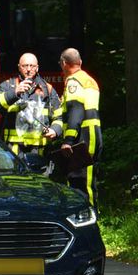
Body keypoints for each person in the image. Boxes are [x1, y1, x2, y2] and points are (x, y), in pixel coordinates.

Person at [45, 48, 101, 206]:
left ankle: (84, 218)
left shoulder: (73, 82)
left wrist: (68, 141)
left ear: (63, 63)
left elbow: (76, 111)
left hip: (81, 139)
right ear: (80, 62)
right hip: (93, 136)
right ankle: (91, 216)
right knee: (89, 181)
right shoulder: (89, 80)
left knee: (78, 182)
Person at [0, 52, 60, 167]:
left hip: (40, 151)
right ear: (19, 67)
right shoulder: (8, 86)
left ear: (37, 68)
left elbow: (59, 115)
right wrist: (14, 93)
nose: (28, 69)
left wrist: (55, 130)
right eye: (25, 66)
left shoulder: (48, 89)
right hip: (12, 150)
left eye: (32, 66)